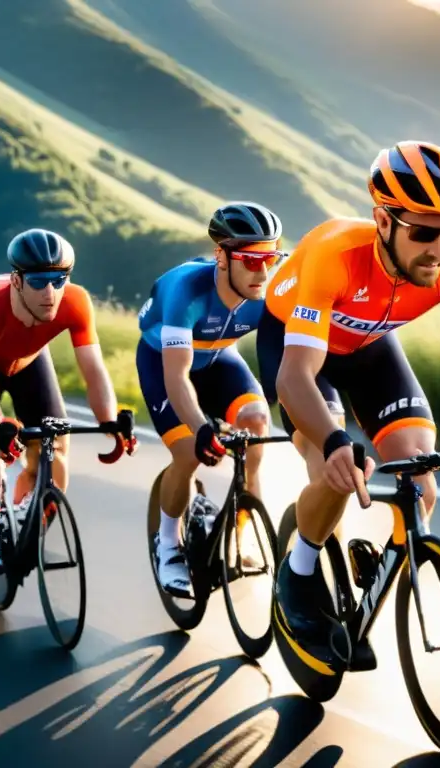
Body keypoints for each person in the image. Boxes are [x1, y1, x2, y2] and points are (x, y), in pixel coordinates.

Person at [257, 140, 440, 672]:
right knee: (334, 472)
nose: (439, 250)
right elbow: (295, 373)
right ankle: (298, 571)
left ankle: (377, 572)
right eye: (424, 232)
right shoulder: (335, 254)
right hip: (300, 345)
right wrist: (333, 442)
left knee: (421, 480)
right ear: (383, 220)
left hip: (371, 345)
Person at [0, 228, 137, 574]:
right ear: (17, 281)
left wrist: (111, 423)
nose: (51, 293)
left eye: (59, 279)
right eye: (38, 282)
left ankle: (27, 510)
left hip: (28, 360)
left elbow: (94, 371)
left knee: (56, 444)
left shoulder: (75, 301)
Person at [136, 201, 283, 598]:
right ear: (222, 256)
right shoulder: (186, 290)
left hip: (219, 358)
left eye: (270, 257)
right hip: (163, 362)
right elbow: (178, 376)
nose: (263, 271)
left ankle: (243, 528)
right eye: (251, 260)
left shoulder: (269, 294)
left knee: (256, 420)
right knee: (188, 452)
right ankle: (167, 544)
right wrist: (201, 429)